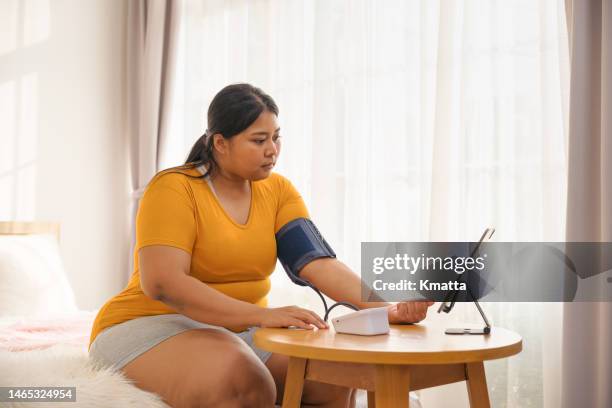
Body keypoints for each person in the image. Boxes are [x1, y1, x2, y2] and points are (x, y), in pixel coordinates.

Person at [88, 83, 434, 408]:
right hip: (149, 325)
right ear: (220, 143)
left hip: (233, 328)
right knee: (246, 381)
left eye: (276, 138)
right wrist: (263, 316)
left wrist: (383, 309)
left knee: (334, 375)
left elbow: (317, 263)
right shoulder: (173, 188)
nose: (272, 150)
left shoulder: (278, 190)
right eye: (258, 140)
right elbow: (164, 283)